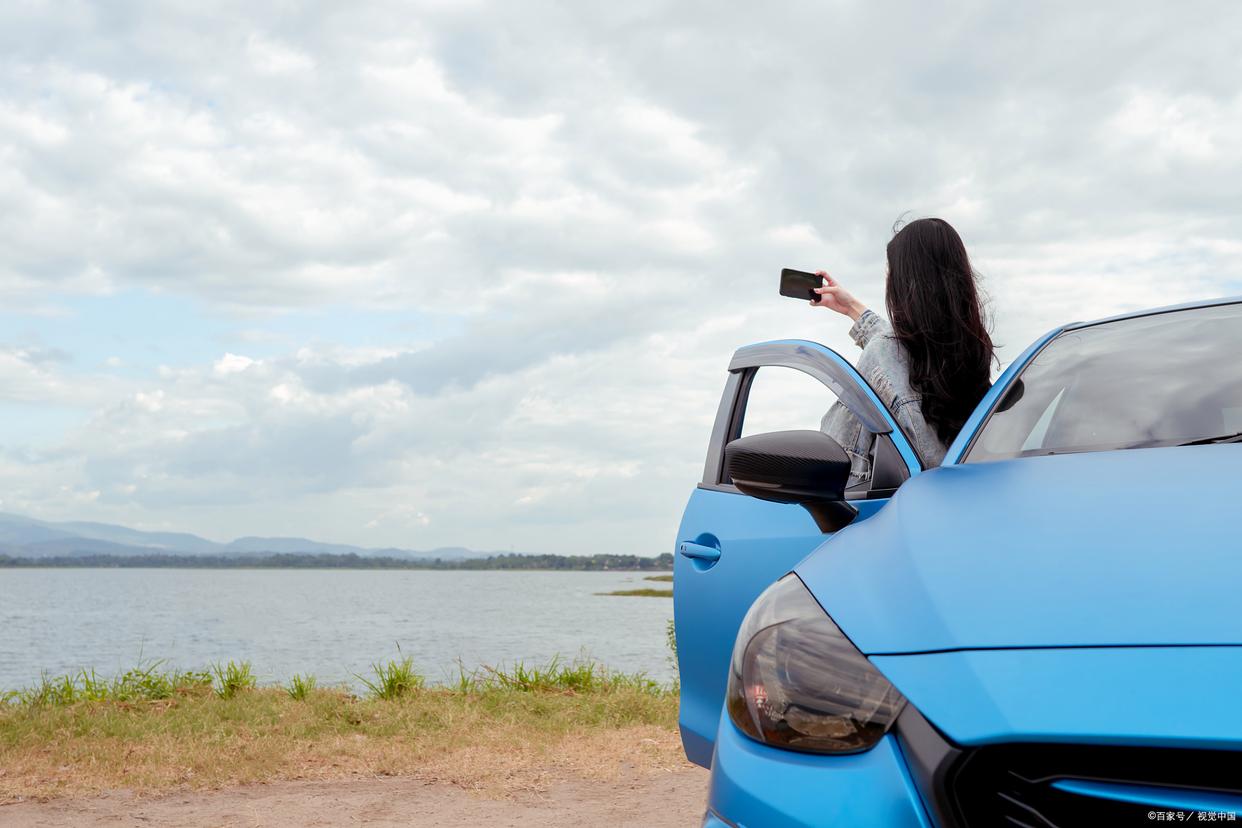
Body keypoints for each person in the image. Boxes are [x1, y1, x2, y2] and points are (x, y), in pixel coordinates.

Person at [814, 217, 995, 484]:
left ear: (906, 285)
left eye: (891, 272)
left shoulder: (883, 354)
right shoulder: (970, 351)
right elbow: (906, 352)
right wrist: (852, 308)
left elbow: (835, 456)